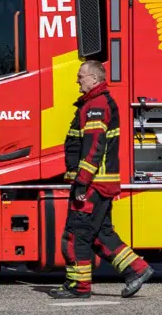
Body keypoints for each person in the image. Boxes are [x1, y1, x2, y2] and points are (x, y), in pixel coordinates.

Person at [52, 60, 152, 299]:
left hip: (93, 184)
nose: (78, 80)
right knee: (100, 235)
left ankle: (79, 287)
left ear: (94, 79)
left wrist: (82, 182)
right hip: (100, 184)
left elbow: (94, 147)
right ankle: (137, 269)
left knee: (76, 235)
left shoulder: (95, 105)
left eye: (81, 76)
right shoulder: (96, 103)